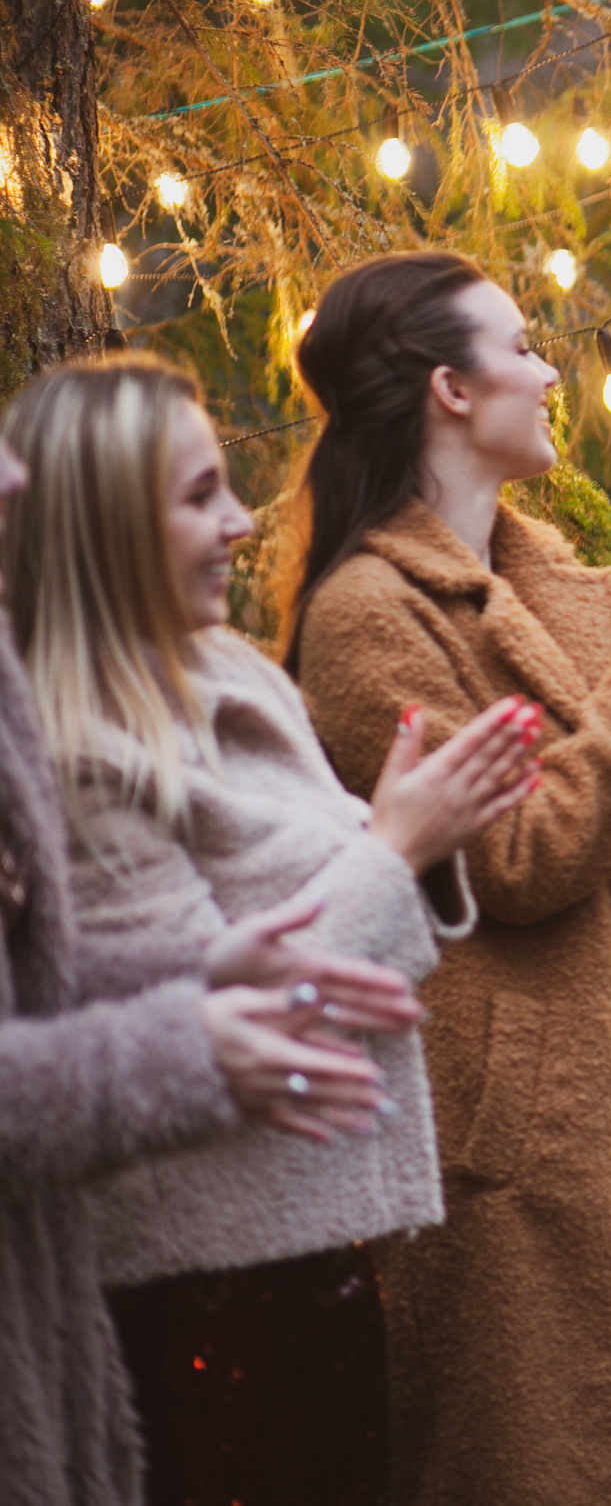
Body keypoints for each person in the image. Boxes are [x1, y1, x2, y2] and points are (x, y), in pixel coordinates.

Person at [283, 251, 611, 1506]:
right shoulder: (366, 616)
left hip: (610, 1117)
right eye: (522, 348)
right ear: (451, 390)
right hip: (496, 1148)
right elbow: (518, 861)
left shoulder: (553, 577)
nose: (552, 367)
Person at [0, 353, 542, 1506]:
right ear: (101, 525)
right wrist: (395, 846)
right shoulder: (78, 741)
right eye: (198, 497)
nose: (242, 524)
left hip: (310, 1264)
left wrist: (410, 833)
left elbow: (279, 921)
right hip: (203, 1293)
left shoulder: (222, 672)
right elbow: (208, 1022)